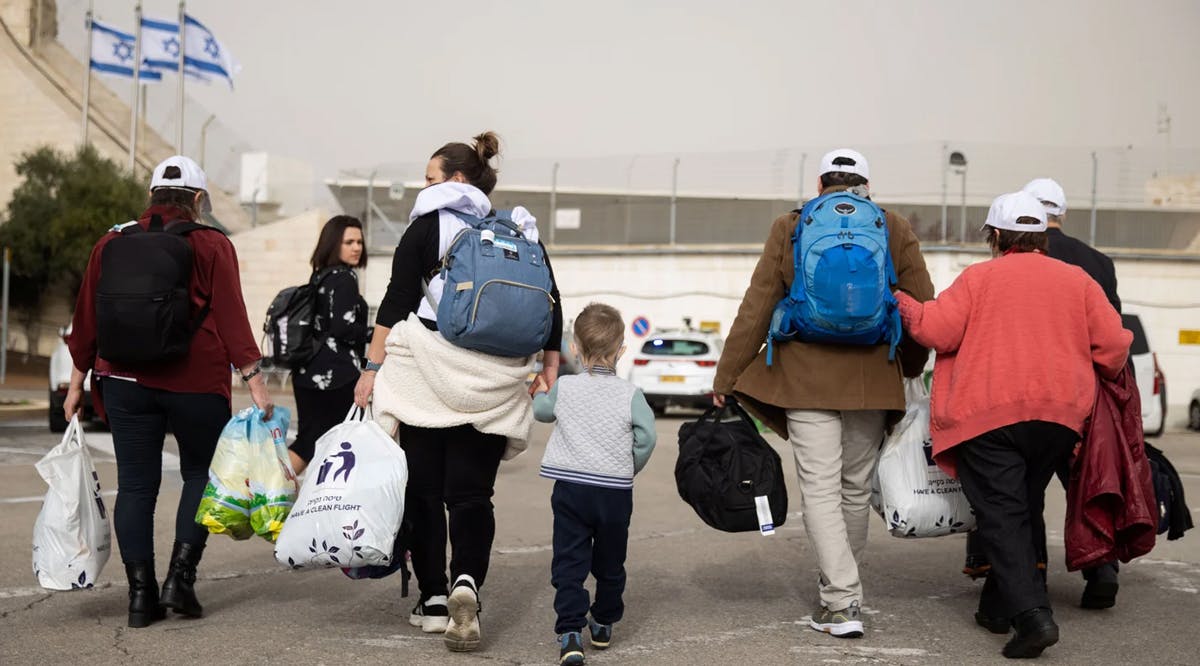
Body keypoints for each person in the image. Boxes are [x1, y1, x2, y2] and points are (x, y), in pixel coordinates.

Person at [894, 191, 1131, 659]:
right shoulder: (1078, 280)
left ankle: (1032, 618)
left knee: (1002, 514)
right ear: (1042, 235)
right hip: (1060, 418)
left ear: (996, 235)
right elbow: (1114, 347)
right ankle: (997, 608)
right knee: (1020, 504)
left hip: (991, 416)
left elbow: (937, 331)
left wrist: (903, 303)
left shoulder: (979, 279)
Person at [353, 131, 565, 652]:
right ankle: (466, 580)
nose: (421, 187)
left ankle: (431, 600)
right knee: (471, 495)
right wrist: (551, 364)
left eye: (429, 178)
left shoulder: (430, 225)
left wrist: (371, 367)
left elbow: (398, 296)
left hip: (430, 369)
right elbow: (551, 299)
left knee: (424, 491)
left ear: (456, 179)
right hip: (494, 378)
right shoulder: (518, 228)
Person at [712, 149, 935, 638]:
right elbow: (924, 307)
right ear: (867, 185)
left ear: (820, 184)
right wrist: (908, 370)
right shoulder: (892, 227)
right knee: (854, 490)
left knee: (819, 489)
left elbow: (757, 306)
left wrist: (725, 377)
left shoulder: (791, 225)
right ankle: (844, 593)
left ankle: (841, 601)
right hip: (873, 379)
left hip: (806, 378)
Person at [63, 155, 273, 628]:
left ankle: (141, 597)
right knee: (199, 473)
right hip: (194, 382)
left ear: (152, 196)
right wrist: (256, 384)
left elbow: (86, 323)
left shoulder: (110, 242)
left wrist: (76, 385)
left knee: (137, 485)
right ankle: (181, 579)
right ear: (197, 200)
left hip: (123, 381)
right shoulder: (213, 244)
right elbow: (232, 319)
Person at [964, 178, 1125, 608]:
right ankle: (1101, 567)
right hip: (1079, 401)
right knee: (1086, 484)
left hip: (1015, 400)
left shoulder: (1004, 267)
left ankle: (1028, 581)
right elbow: (1113, 338)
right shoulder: (1097, 263)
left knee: (1020, 496)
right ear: (1062, 213)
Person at [531, 303, 656, 666]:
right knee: (611, 559)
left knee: (569, 560)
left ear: (575, 349)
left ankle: (570, 633)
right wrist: (628, 466)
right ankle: (603, 621)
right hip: (615, 492)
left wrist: (540, 391)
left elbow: (541, 413)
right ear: (621, 351)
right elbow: (647, 437)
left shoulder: (566, 387)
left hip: (571, 489)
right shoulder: (630, 395)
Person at [286, 215, 368, 474]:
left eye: (359, 242)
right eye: (349, 242)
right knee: (335, 443)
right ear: (334, 244)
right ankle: (265, 491)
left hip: (307, 372)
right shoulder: (344, 277)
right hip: (336, 376)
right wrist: (375, 333)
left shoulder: (320, 276)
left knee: (309, 441)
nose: (356, 248)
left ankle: (266, 491)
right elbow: (342, 328)